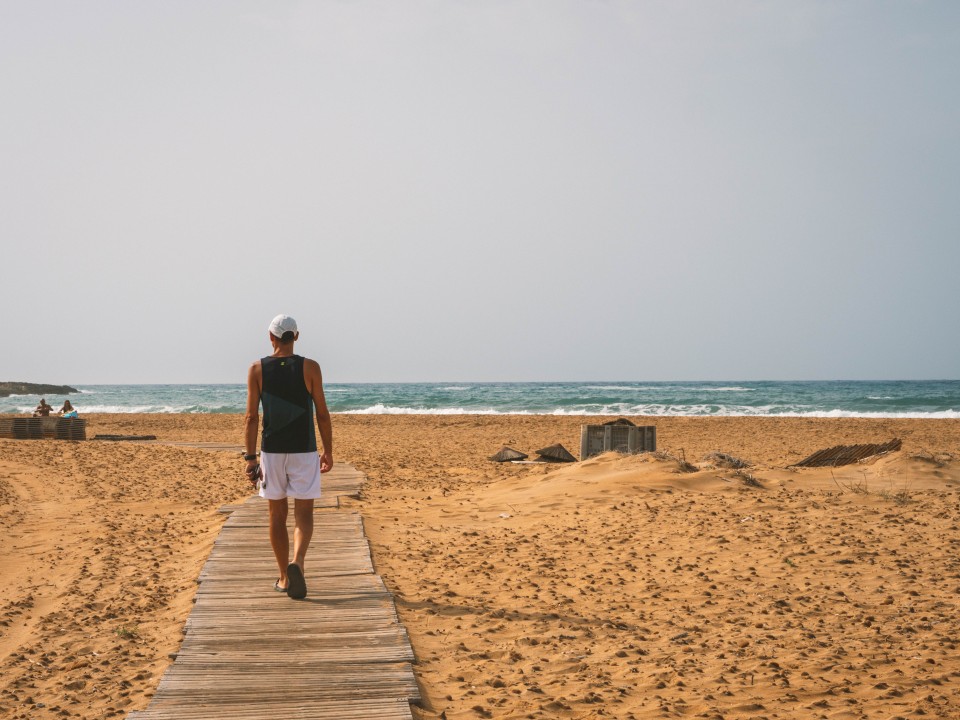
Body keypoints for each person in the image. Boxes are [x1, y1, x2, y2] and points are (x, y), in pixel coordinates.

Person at [244, 314, 333, 600]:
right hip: (304, 450)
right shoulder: (310, 367)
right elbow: (321, 412)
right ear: (296, 337)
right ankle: (298, 562)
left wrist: (250, 458)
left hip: (271, 451)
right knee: (303, 514)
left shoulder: (257, 369)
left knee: (276, 515)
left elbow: (250, 417)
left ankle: (284, 577)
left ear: (270, 337)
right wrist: (328, 450)